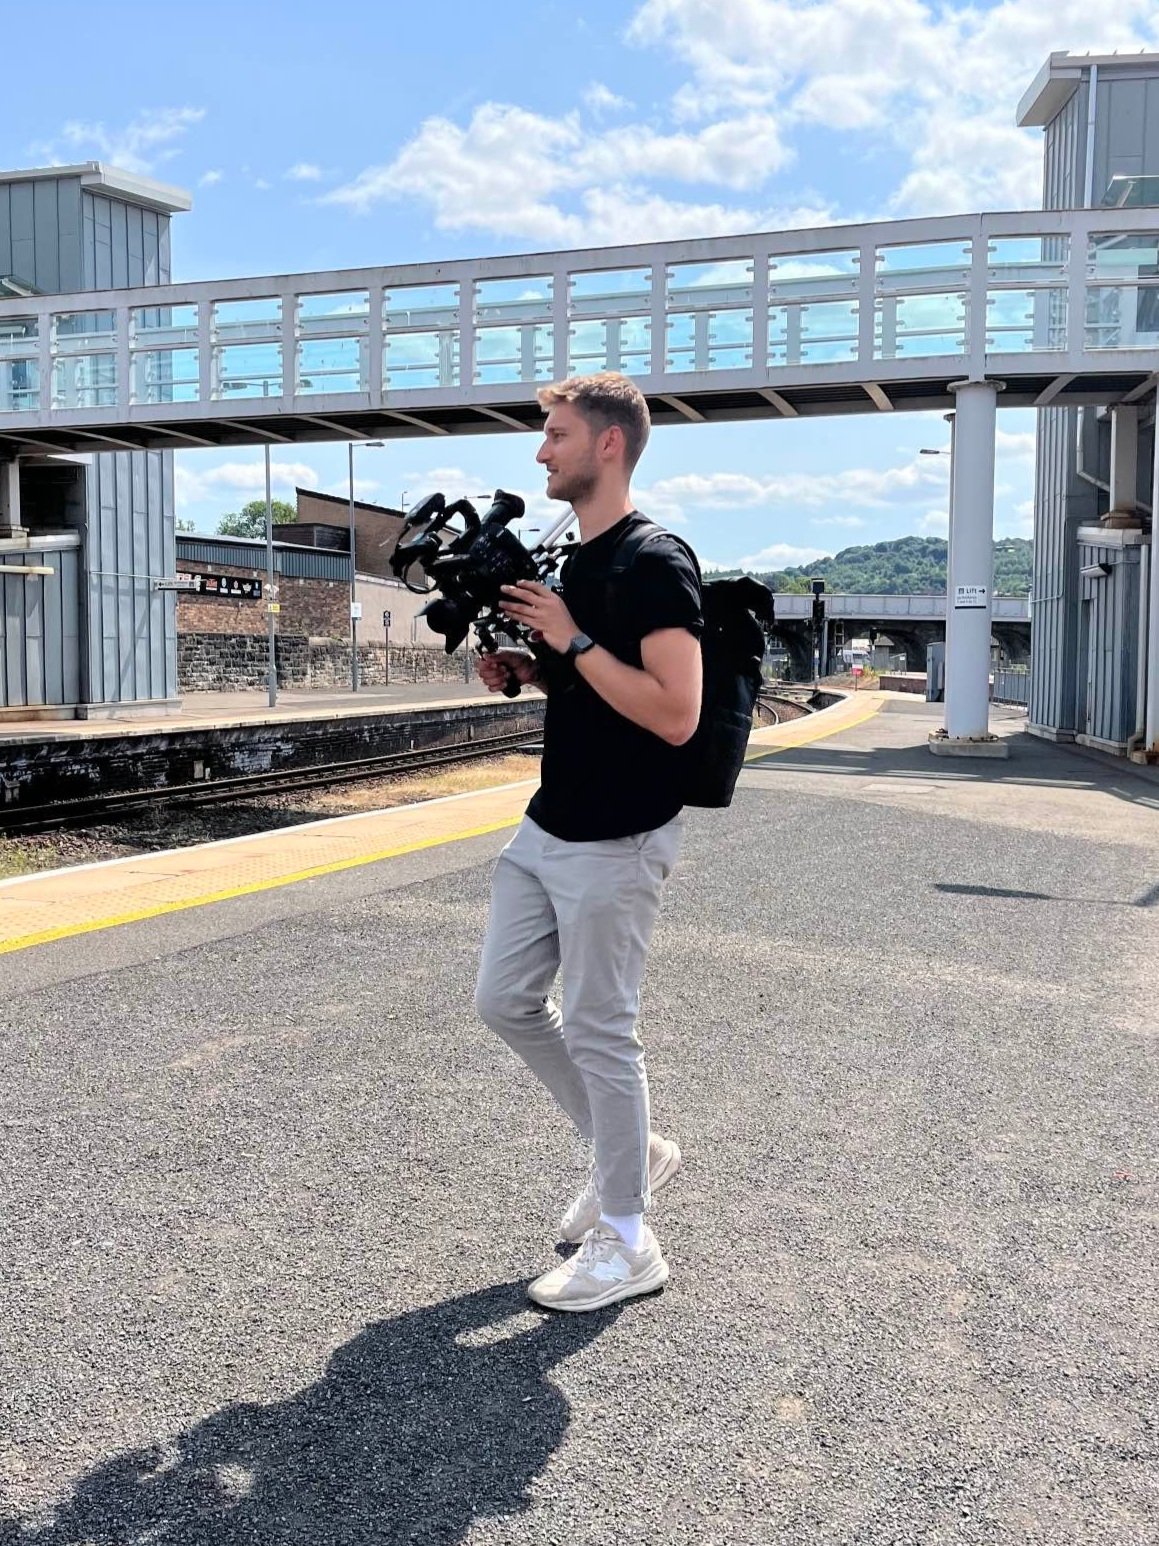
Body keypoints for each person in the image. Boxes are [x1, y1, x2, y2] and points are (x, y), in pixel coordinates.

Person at [474, 371, 703, 1313]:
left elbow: (677, 713)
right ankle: (635, 1153)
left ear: (607, 445)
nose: (541, 452)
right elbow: (598, 689)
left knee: (605, 1033)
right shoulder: (576, 562)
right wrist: (533, 670)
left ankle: (626, 1240)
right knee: (503, 1001)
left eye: (556, 435)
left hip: (619, 835)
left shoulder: (654, 560)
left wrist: (566, 641)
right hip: (549, 821)